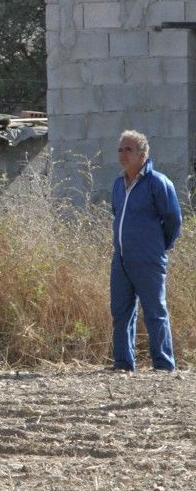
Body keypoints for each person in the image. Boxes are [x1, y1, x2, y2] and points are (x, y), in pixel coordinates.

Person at [109, 130, 182, 373]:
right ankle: (123, 364)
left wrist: (161, 246)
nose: (123, 154)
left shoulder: (157, 182)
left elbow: (173, 219)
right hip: (121, 259)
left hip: (149, 258)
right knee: (121, 312)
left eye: (128, 150)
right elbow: (116, 215)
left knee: (155, 312)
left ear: (142, 154)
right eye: (120, 149)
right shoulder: (119, 184)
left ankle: (162, 365)